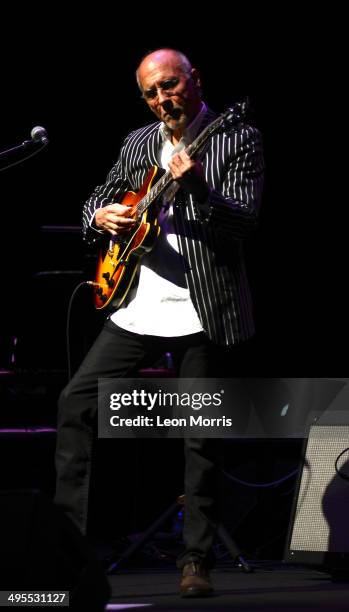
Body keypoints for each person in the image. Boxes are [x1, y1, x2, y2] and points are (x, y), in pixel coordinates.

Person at [54, 48, 264, 597]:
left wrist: (196, 188)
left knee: (199, 437)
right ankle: (65, 551)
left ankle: (195, 560)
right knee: (76, 402)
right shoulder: (139, 142)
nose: (161, 100)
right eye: (150, 93)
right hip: (138, 305)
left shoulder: (235, 137)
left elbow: (243, 222)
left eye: (169, 86)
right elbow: (100, 194)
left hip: (203, 309)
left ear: (194, 80)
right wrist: (98, 216)